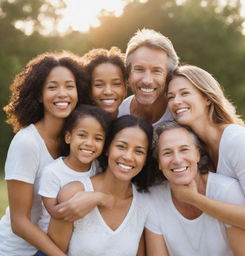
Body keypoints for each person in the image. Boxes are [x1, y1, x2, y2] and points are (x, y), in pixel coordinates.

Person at [0, 51, 88, 256]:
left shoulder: (76, 140)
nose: (62, 94)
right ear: (39, 95)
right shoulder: (27, 143)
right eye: (52, 87)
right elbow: (19, 222)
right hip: (18, 251)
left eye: (69, 86)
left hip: (53, 246)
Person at [46, 115, 154, 256]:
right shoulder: (73, 194)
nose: (128, 156)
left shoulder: (144, 204)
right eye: (121, 147)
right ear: (107, 149)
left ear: (145, 159)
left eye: (139, 151)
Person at [145, 120, 245, 256]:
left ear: (197, 153)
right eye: (167, 153)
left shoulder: (227, 191)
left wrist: (194, 198)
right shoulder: (154, 199)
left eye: (184, 149)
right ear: (159, 163)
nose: (177, 159)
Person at [167, 64, 245, 231]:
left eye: (184, 93)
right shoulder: (196, 150)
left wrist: (194, 199)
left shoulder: (238, 141)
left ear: (207, 98)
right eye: (170, 97)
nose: (176, 101)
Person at [37, 104, 113, 236]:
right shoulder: (53, 172)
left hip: (81, 237)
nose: (89, 143)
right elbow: (54, 212)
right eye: (82, 135)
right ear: (68, 137)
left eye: (98, 138)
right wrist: (93, 199)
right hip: (51, 241)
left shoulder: (98, 167)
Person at [118, 28, 179, 126]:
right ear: (128, 73)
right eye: (139, 69)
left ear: (169, 76)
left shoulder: (180, 116)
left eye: (157, 71)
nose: (147, 81)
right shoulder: (117, 115)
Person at [83, 47, 127, 118]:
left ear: (125, 87)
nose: (108, 92)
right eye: (99, 85)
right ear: (89, 89)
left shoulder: (130, 117)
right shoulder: (81, 122)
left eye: (116, 84)